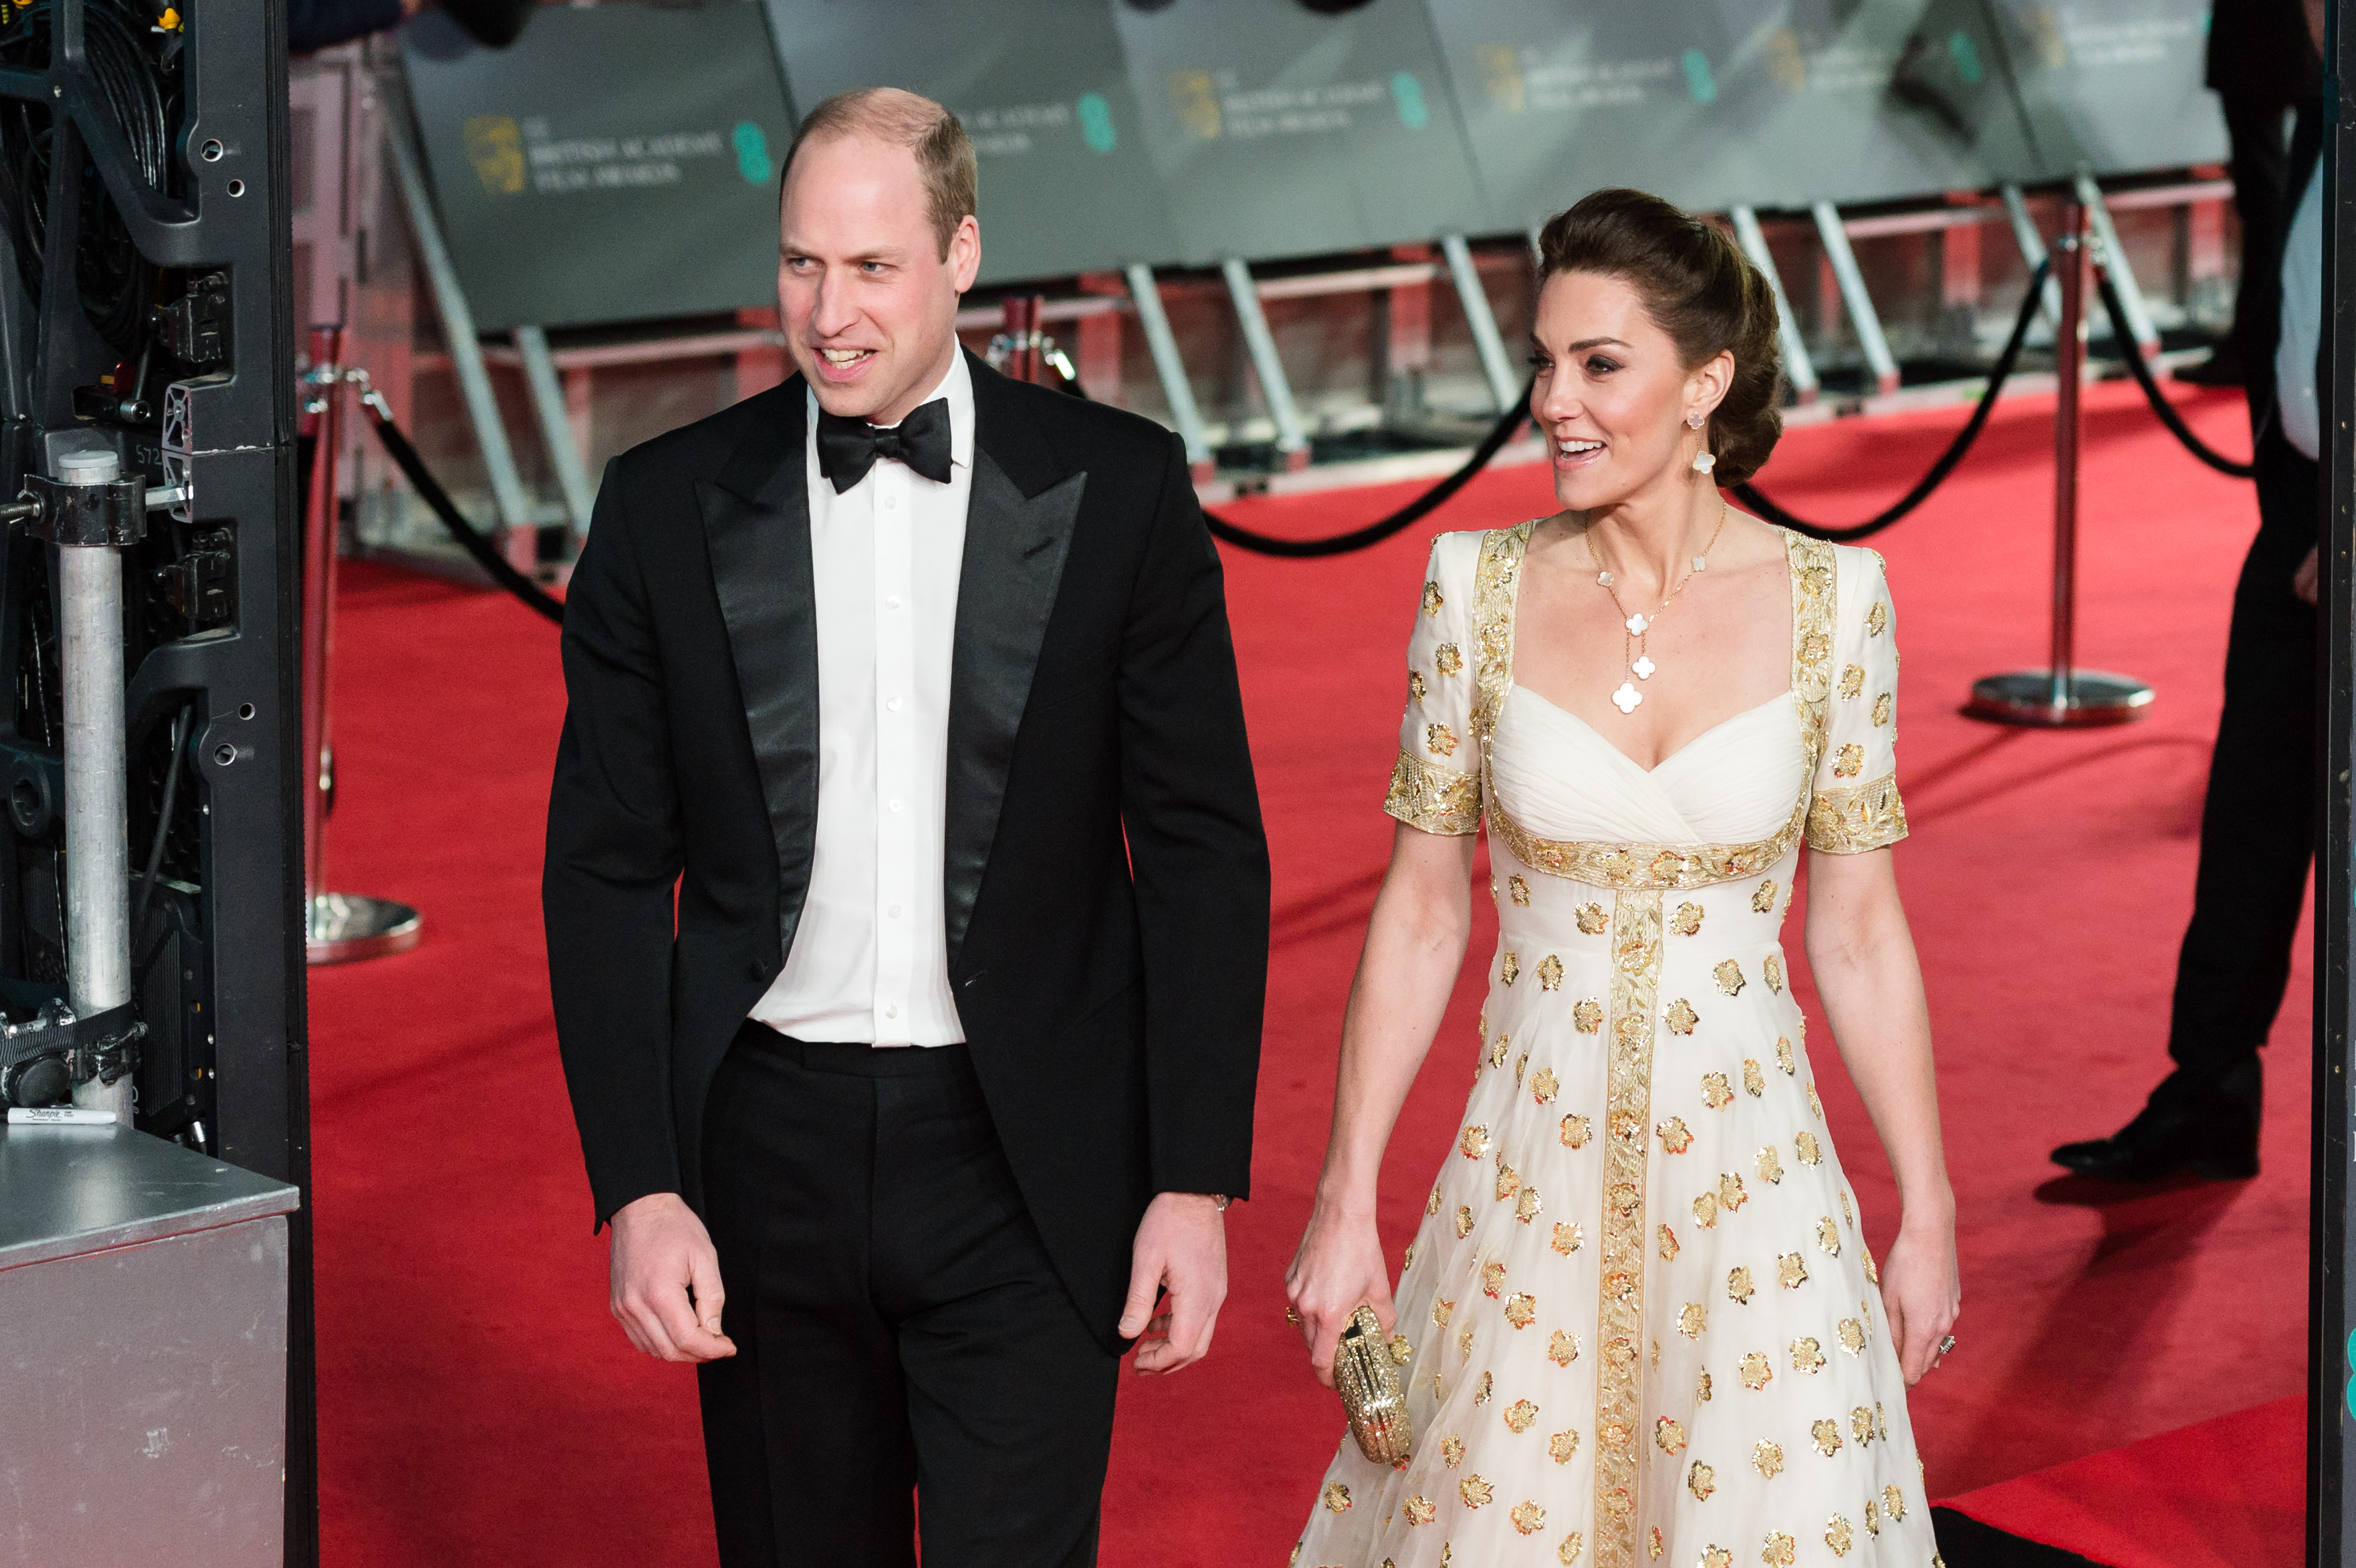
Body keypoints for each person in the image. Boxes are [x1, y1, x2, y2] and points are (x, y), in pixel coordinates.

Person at [542, 88, 1269, 1568]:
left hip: (1029, 1156)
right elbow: (606, 870)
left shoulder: (1118, 491)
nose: (830, 312)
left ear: (962, 255)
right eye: (803, 264)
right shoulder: (665, 507)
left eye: (873, 268)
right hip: (764, 1155)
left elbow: (1202, 850)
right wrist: (640, 1184)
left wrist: (1192, 1181)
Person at [1282, 188, 1959, 1568]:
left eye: (1599, 364)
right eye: (1542, 361)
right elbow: (1420, 912)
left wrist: (1929, 1208)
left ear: (1704, 383)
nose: (1553, 402)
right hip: (1530, 1176)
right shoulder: (1469, 587)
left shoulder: (1841, 601)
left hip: (1754, 1186)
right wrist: (1346, 1196)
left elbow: (1862, 938)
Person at [2050, 9, 2325, 1183]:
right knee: (2250, 801)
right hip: (2302, 514)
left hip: (2344, 526)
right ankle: (2208, 1082)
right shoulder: (2322, 113)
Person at [2175, 0, 2319, 398]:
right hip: (2300, 46)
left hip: (2270, 44)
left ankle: (2260, 340)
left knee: (2271, 204)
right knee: (2279, 201)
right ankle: (2264, 339)